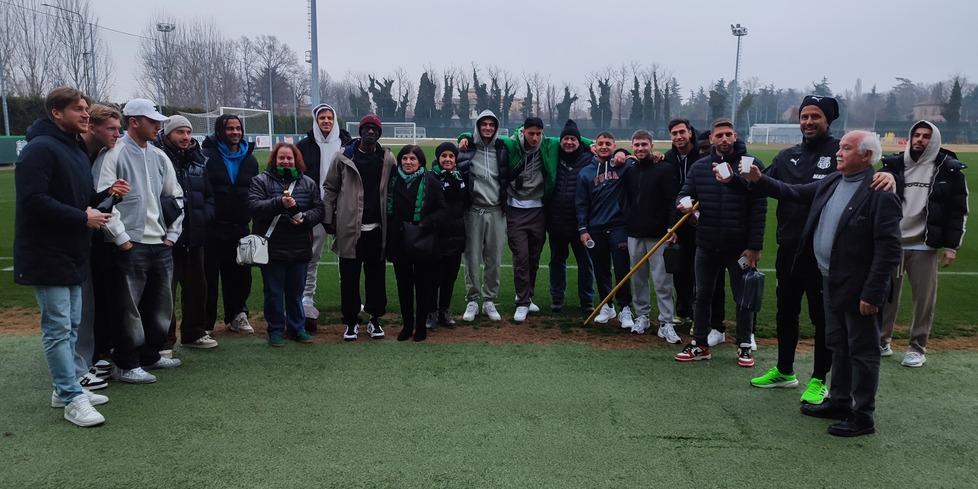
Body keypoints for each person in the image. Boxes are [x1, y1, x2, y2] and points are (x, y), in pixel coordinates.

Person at [743, 130, 902, 437]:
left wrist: (873, 292)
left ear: (867, 156)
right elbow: (796, 192)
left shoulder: (879, 191)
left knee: (863, 351)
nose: (839, 153)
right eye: (840, 147)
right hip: (830, 279)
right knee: (839, 344)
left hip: (860, 288)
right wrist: (759, 180)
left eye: (846, 148)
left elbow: (889, 249)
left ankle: (863, 415)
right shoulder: (832, 181)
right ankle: (840, 401)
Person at [14, 87, 128, 426]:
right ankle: (70, 396)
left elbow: (82, 200)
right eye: (78, 109)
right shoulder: (39, 149)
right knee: (58, 327)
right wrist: (83, 218)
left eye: (86, 108)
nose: (84, 114)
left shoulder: (75, 149)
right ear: (56, 112)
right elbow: (33, 201)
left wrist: (108, 196)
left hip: (73, 252)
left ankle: (64, 388)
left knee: (73, 326)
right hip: (46, 255)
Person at [749, 96, 841, 402]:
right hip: (789, 249)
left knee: (821, 317)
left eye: (815, 116)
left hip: (823, 252)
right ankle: (785, 371)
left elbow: (799, 194)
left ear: (828, 120)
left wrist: (760, 181)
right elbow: (758, 187)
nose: (809, 122)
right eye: (804, 116)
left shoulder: (840, 153)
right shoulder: (787, 155)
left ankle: (819, 379)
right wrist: (729, 179)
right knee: (786, 312)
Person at [94, 98, 184, 384]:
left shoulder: (159, 157)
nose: (158, 126)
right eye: (152, 120)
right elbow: (102, 199)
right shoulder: (113, 154)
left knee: (159, 305)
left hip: (160, 245)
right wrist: (121, 238)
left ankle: (150, 355)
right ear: (134, 121)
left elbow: (175, 196)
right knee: (127, 308)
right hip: (130, 246)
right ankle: (126, 362)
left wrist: (172, 235)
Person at [674, 118, 766, 367]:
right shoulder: (700, 167)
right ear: (711, 139)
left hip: (739, 246)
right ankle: (700, 344)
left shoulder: (750, 165)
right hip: (706, 243)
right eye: (719, 135)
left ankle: (745, 345)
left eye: (728, 134)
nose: (724, 139)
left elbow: (759, 206)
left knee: (743, 297)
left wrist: (754, 246)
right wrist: (683, 205)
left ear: (735, 136)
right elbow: (685, 193)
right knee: (702, 295)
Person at [880, 121, 969, 367]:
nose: (920, 140)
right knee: (885, 296)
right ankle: (882, 340)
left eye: (926, 136)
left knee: (924, 301)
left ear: (935, 139)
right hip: (893, 243)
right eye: (916, 135)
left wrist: (951, 246)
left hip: (925, 246)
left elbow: (958, 211)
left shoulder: (948, 169)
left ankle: (917, 347)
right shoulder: (894, 165)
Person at [323, 114, 396, 341]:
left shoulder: (387, 158)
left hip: (377, 229)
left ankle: (374, 319)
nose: (371, 132)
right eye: (367, 128)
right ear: (360, 131)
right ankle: (351, 321)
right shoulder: (343, 157)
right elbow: (330, 189)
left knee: (376, 277)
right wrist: (328, 218)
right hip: (349, 228)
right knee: (349, 278)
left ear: (379, 133)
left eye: (375, 129)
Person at [249, 143, 325, 346]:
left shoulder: (308, 183)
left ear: (296, 160)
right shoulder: (260, 181)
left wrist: (305, 218)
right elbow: (254, 207)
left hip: (299, 246)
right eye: (281, 158)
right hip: (272, 247)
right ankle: (275, 330)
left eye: (289, 158)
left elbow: (319, 209)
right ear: (274, 159)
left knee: (296, 292)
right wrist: (279, 203)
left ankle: (297, 328)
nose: (285, 161)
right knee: (273, 292)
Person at [153, 115, 217, 350]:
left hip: (195, 235)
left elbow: (209, 196)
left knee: (197, 287)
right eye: (180, 132)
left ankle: (193, 333)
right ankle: (164, 340)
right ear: (168, 133)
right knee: (164, 291)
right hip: (166, 237)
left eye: (188, 133)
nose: (186, 137)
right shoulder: (157, 158)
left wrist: (204, 216)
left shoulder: (199, 161)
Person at [77, 103, 123, 391]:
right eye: (111, 128)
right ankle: (75, 373)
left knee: (95, 302)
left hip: (90, 239)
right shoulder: (75, 152)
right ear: (91, 127)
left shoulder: (100, 153)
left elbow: (91, 199)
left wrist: (109, 194)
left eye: (119, 129)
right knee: (75, 310)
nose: (117, 134)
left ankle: (94, 357)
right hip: (69, 241)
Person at [202, 115, 260, 334]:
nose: (235, 132)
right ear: (220, 131)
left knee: (241, 275)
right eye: (230, 129)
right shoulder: (207, 156)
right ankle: (205, 324)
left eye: (238, 128)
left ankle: (237, 315)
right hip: (213, 229)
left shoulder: (250, 159)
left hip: (240, 228)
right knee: (209, 277)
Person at [295, 103, 351, 333]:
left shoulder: (347, 144)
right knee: (312, 255)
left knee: (347, 256)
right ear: (316, 121)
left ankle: (350, 298)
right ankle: (307, 298)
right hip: (315, 208)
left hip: (343, 209)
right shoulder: (305, 145)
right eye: (322, 118)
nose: (326, 121)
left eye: (329, 117)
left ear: (335, 119)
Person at [621, 130, 681, 341]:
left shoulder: (664, 169)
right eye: (636, 145)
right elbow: (626, 198)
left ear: (651, 145)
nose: (640, 149)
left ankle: (666, 322)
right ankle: (642, 316)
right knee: (638, 279)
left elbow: (671, 200)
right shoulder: (629, 170)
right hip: (634, 233)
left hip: (658, 235)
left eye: (644, 145)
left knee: (662, 280)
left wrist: (671, 227)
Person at [386, 145, 447, 341]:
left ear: (420, 161)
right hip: (399, 240)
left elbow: (442, 210)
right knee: (403, 286)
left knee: (423, 286)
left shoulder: (431, 181)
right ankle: (407, 325)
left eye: (413, 159)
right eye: (404, 158)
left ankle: (421, 326)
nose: (408, 162)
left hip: (422, 239)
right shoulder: (393, 181)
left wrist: (425, 222)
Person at [456, 110, 511, 322]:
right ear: (478, 126)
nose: (488, 128)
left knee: (494, 259)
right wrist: (463, 138)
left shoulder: (502, 149)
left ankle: (489, 300)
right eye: (484, 124)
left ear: (496, 128)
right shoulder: (467, 148)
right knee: (471, 258)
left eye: (491, 125)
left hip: (496, 211)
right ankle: (472, 299)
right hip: (472, 212)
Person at [576, 132, 634, 328]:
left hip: (619, 227)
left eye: (608, 144)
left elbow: (638, 160)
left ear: (614, 145)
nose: (604, 147)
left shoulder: (624, 166)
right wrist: (583, 229)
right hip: (595, 228)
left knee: (621, 269)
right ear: (595, 146)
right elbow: (581, 203)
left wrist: (623, 154)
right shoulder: (585, 172)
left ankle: (625, 308)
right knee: (601, 270)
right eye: (600, 143)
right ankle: (607, 306)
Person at [547, 120, 596, 315]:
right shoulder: (554, 156)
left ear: (579, 141)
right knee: (557, 262)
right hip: (557, 222)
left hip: (581, 224)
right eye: (565, 138)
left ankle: (587, 301)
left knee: (585, 263)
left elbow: (611, 153)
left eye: (573, 139)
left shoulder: (589, 158)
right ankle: (557, 298)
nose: (569, 142)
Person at [427, 142, 470, 330]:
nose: (447, 159)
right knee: (433, 276)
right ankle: (431, 312)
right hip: (437, 235)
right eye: (444, 156)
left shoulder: (461, 177)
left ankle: (444, 310)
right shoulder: (430, 178)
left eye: (451, 156)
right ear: (438, 158)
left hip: (457, 234)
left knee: (450, 276)